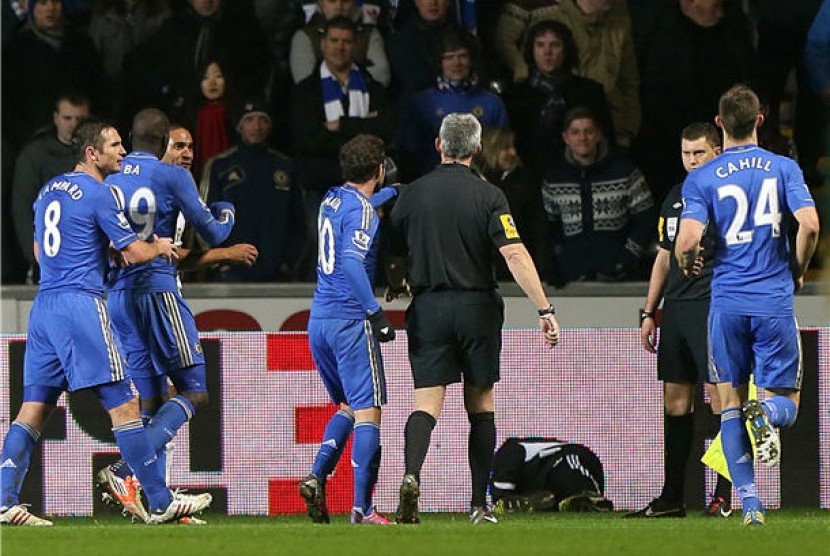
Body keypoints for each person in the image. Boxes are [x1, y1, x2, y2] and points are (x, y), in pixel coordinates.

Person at [0, 120, 211, 526]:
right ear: (91, 153)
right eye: (115, 146)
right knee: (125, 404)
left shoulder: (48, 191)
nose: (122, 152)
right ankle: (161, 500)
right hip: (82, 305)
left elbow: (41, 255)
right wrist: (160, 245)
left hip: (44, 307)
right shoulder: (100, 194)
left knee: (34, 408)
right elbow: (132, 253)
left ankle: (6, 500)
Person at [389, 113, 561, 525]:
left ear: (439, 145)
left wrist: (398, 282)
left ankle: (412, 476)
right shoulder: (489, 197)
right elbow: (514, 254)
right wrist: (544, 307)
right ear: (478, 149)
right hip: (476, 307)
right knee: (480, 404)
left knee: (426, 403)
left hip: (428, 307)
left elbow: (393, 252)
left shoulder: (410, 195)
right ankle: (478, 505)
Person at [675, 84, 820, 526]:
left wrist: (688, 264)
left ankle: (751, 504)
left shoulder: (702, 176)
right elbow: (810, 225)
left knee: (730, 405)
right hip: (772, 299)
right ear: (760, 120)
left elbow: (687, 241)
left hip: (727, 303)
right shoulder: (784, 168)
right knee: (787, 406)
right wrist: (799, 266)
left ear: (720, 124)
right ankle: (768, 411)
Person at [95, 109, 236, 522]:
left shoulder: (110, 177)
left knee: (152, 399)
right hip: (157, 291)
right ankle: (125, 472)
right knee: (194, 390)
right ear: (163, 142)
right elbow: (215, 232)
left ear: (130, 139)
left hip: (117, 297)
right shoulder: (171, 175)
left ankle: (160, 501)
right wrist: (227, 209)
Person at [628, 122, 732, 519]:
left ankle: (724, 495)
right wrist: (649, 312)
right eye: (686, 153)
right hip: (677, 309)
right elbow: (664, 256)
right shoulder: (677, 196)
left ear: (717, 152)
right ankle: (672, 498)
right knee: (675, 402)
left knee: (723, 399)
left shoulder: (727, 197)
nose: (691, 161)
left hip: (713, 306)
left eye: (699, 153)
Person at [298, 134, 395, 526]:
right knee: (369, 411)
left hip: (318, 319)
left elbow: (355, 214)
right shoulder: (364, 213)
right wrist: (376, 314)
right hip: (350, 320)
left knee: (347, 407)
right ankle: (362, 509)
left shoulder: (332, 198)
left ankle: (316, 475)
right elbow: (354, 264)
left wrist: (387, 195)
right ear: (379, 169)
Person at [541, 107, 655, 285]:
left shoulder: (625, 172)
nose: (582, 138)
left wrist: (626, 258)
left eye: (588, 131)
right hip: (571, 280)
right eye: (575, 132)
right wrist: (559, 261)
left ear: (598, 134)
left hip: (620, 278)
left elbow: (646, 219)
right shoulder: (554, 179)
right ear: (566, 138)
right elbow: (548, 228)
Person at [203, 98, 306, 282]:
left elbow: (300, 222)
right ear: (239, 126)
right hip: (231, 272)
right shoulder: (220, 166)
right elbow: (203, 218)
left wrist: (289, 263)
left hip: (277, 274)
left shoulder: (286, 167)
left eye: (263, 120)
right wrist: (218, 261)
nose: (256, 126)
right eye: (250, 120)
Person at [502, 19, 613, 175]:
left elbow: (606, 140)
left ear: (566, 49)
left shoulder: (590, 91)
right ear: (531, 50)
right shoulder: (514, 96)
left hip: (583, 175)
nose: (547, 52)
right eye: (540, 45)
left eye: (555, 45)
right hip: (530, 177)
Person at [397, 28, 509, 181]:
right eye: (449, 57)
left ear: (471, 59)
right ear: (440, 62)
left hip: (482, 186)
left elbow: (501, 152)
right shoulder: (422, 103)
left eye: (462, 56)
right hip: (434, 185)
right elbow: (411, 153)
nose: (457, 63)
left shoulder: (492, 103)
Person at [12, 92, 91, 283]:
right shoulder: (35, 155)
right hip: (49, 258)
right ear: (56, 118)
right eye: (67, 118)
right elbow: (22, 208)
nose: (73, 124)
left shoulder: (98, 155)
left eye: (79, 119)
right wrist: (34, 256)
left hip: (90, 257)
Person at [163, 123, 259, 280]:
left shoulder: (178, 186)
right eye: (178, 147)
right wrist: (227, 215)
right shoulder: (156, 191)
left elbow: (169, 257)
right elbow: (214, 235)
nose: (187, 154)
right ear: (161, 147)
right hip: (151, 289)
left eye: (190, 147)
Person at [490, 437, 613, 513]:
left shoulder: (507, 452)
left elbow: (501, 499)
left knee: (572, 481)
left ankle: (588, 498)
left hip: (563, 457)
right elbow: (503, 505)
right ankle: (578, 502)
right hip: (548, 486)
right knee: (565, 500)